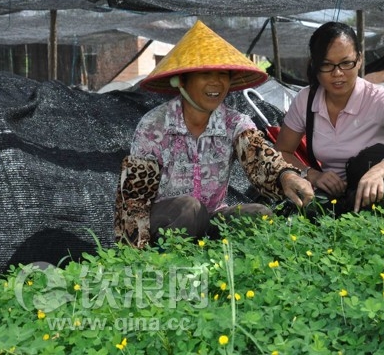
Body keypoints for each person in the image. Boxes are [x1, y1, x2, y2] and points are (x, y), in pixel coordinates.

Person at [114, 20, 314, 248]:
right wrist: (132, 257)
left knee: (259, 214)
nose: (216, 82)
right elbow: (134, 199)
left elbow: (259, 157)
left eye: (222, 74)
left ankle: (233, 273)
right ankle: (171, 266)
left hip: (212, 218)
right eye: (205, 73)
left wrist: (287, 176)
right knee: (190, 209)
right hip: (165, 223)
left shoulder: (235, 123)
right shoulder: (154, 126)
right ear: (181, 81)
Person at [275, 21, 384, 214]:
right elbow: (281, 151)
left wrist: (379, 170)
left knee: (367, 166)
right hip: (328, 195)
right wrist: (312, 174)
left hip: (374, 192)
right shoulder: (306, 100)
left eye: (346, 63)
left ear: (359, 60)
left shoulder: (379, 99)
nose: (338, 74)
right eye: (327, 65)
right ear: (315, 65)